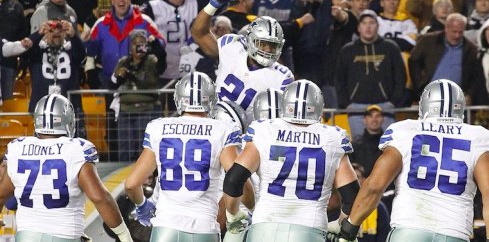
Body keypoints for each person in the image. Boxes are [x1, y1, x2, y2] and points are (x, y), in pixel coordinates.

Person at [335, 79, 489, 242]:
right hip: (453, 233)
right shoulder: (478, 137)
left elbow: (374, 186)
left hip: (409, 231)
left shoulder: (405, 130)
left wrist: (350, 227)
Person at [223, 79, 360, 242]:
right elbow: (352, 197)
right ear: (318, 107)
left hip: (265, 229)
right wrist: (339, 223)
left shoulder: (265, 130)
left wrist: (233, 215)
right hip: (309, 230)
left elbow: (233, 180)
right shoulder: (332, 137)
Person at [124, 72, 254, 242]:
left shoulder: (158, 127)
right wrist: (251, 210)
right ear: (211, 99)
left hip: (166, 227)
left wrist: (142, 205)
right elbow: (238, 179)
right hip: (204, 227)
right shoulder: (223, 130)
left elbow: (132, 184)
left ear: (178, 99)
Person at [0, 94, 133, 242]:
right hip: (65, 235)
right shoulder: (77, 149)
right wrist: (123, 234)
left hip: (26, 236)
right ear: (67, 120)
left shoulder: (18, 148)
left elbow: (2, 192)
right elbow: (99, 197)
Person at [191, 0, 294, 126]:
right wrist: (213, 4)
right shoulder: (233, 46)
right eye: (263, 43)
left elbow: (286, 123)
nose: (267, 49)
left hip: (247, 139)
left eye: (273, 45)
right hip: (213, 126)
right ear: (250, 40)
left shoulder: (283, 76)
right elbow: (199, 33)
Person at [335, 9, 407, 142]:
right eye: (364, 23)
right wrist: (346, 103)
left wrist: (393, 102)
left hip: (385, 106)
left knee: (387, 146)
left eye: (372, 23)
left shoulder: (390, 48)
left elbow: (400, 76)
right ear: (359, 27)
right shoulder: (347, 50)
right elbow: (339, 79)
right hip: (356, 107)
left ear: (378, 26)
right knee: (358, 146)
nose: (368, 27)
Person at [409, 13, 489, 105]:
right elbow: (413, 61)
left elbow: (474, 77)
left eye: (461, 32)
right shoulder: (427, 41)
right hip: (429, 98)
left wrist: (469, 95)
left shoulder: (471, 49)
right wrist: (419, 87)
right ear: (446, 28)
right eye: (454, 31)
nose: (457, 36)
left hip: (456, 101)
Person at [110, 29, 163, 161]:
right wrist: (118, 75)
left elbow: (162, 63)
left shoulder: (151, 60)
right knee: (124, 149)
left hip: (146, 109)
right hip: (125, 110)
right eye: (135, 44)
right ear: (130, 47)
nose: (139, 47)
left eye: (142, 43)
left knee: (145, 149)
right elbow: (112, 82)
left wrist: (156, 45)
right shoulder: (123, 61)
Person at [351, 163, 390, 242]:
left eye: (357, 177)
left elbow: (384, 235)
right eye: (351, 177)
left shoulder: (378, 207)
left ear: (364, 180)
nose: (354, 180)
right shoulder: (337, 206)